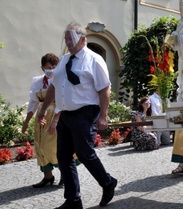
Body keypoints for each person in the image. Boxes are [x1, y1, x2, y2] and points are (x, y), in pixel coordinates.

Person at [38, 22, 117, 209]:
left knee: (85, 154)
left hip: (85, 113)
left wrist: (103, 116)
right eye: (65, 38)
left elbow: (104, 89)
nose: (67, 42)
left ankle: (107, 182)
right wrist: (43, 109)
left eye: (70, 38)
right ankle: (73, 200)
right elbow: (54, 86)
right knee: (63, 157)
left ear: (83, 39)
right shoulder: (65, 60)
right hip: (65, 114)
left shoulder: (94, 60)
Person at [22, 53, 62, 188]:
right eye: (47, 68)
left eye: (53, 67)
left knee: (56, 147)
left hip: (57, 114)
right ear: (42, 68)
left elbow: (63, 102)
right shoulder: (38, 82)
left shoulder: (60, 80)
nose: (50, 70)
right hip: (41, 116)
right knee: (41, 146)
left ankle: (66, 175)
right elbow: (33, 103)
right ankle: (48, 177)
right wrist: (27, 122)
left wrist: (55, 121)